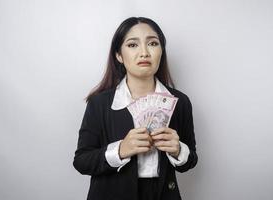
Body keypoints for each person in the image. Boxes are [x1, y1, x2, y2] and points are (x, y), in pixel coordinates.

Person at [73, 17, 198, 200]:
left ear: (161, 52)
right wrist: (120, 150)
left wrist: (178, 150)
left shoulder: (180, 102)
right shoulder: (99, 104)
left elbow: (190, 161)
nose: (144, 52)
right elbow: (81, 161)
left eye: (153, 43)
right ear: (119, 55)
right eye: (133, 45)